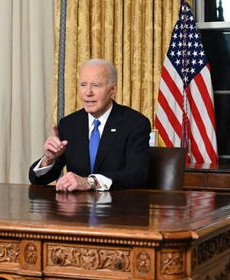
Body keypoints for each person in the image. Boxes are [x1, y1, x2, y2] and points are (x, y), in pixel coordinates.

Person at [29, 58, 151, 191]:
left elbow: (137, 175)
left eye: (96, 85)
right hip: (76, 208)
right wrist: (48, 160)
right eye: (83, 85)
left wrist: (91, 182)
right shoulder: (69, 124)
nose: (88, 92)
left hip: (117, 207)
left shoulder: (135, 123)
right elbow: (38, 180)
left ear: (113, 89)